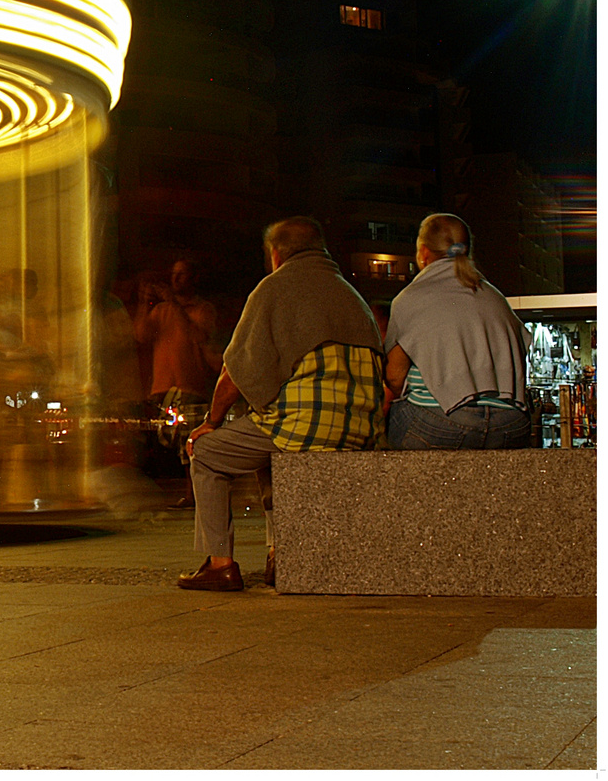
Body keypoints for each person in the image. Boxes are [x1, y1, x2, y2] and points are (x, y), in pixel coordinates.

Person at [180, 217, 384, 591]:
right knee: (269, 433)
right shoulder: (350, 295)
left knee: (206, 452)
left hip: (307, 427)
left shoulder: (274, 288)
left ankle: (219, 562)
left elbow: (236, 370)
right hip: (361, 430)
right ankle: (280, 555)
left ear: (276, 254)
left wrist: (212, 420)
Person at [382, 214, 532, 450]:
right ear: (467, 250)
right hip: (511, 424)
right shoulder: (495, 297)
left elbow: (394, 377)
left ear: (423, 253)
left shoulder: (410, 298)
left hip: (439, 424)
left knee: (398, 412)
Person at [133, 258, 220, 506]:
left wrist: (173, 303)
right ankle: (187, 493)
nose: (175, 280)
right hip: (163, 389)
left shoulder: (203, 310)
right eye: (173, 275)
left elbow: (198, 335)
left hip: (189, 388)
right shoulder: (161, 311)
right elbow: (141, 334)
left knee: (189, 445)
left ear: (194, 278)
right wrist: (143, 301)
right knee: (169, 443)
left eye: (181, 274)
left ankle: (194, 495)